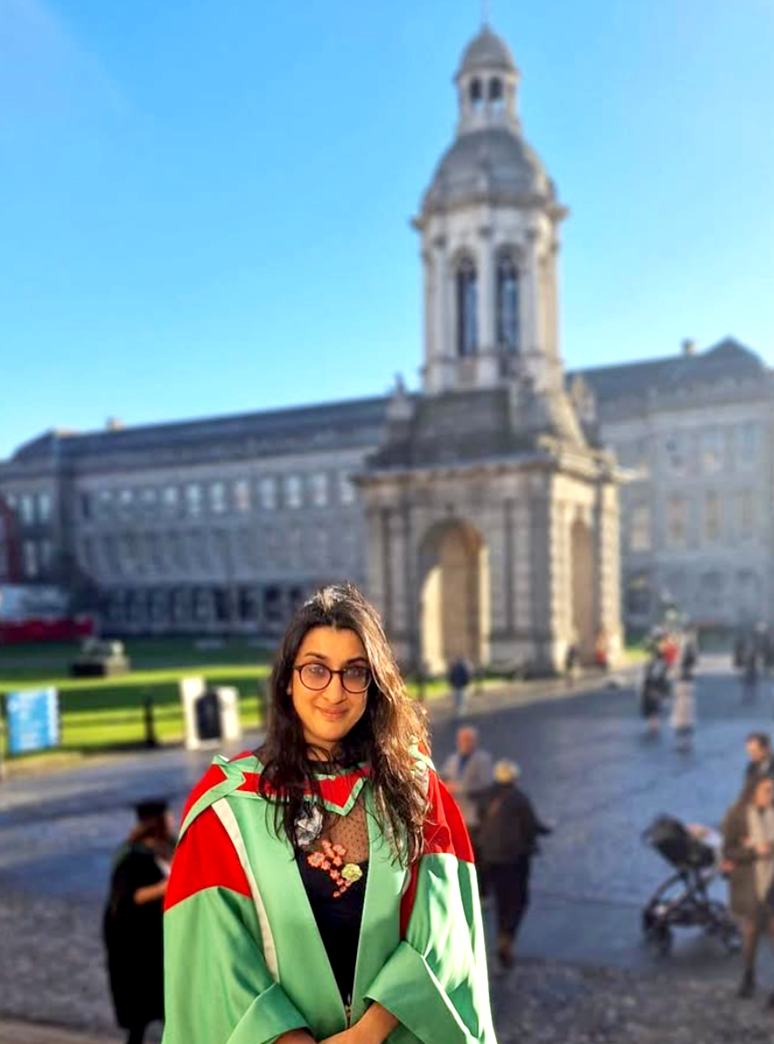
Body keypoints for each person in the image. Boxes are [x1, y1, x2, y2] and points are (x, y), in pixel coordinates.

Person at [162, 583, 496, 1044]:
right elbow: (216, 957)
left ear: (373, 684)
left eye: (354, 672)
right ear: (286, 680)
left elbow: (441, 932)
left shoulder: (416, 791)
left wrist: (365, 1035)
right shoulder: (227, 807)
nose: (335, 692)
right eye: (316, 670)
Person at [103, 799, 176, 1044]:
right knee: (147, 1010)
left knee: (171, 1004)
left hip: (167, 937)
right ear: (157, 821)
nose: (172, 819)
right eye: (167, 816)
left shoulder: (172, 845)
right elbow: (128, 897)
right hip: (141, 943)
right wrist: (168, 886)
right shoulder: (132, 854)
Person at [478, 760, 552, 969]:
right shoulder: (519, 799)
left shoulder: (487, 795)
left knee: (501, 898)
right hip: (514, 857)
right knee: (518, 899)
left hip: (491, 855)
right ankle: (507, 935)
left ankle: (502, 931)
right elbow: (532, 825)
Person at [722, 776, 774, 1002]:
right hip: (750, 880)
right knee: (751, 930)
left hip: (772, 879)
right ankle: (748, 976)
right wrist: (754, 852)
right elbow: (728, 851)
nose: (770, 795)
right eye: (766, 791)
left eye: (772, 791)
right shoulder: (737, 815)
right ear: (753, 791)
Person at [441, 726, 494, 895]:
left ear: (474, 741)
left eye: (468, 740)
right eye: (462, 740)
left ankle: (481, 890)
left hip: (473, 816)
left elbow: (486, 784)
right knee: (456, 853)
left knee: (476, 854)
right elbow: (444, 777)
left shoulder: (483, 759)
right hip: (455, 815)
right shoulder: (453, 759)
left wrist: (460, 788)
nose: (464, 743)